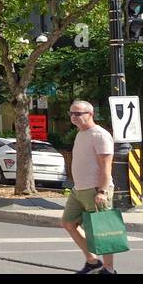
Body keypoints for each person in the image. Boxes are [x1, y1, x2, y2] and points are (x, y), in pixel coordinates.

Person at [60, 100, 117, 274]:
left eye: (78, 114)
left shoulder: (100, 135)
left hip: (95, 189)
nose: (73, 117)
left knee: (103, 230)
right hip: (79, 189)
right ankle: (92, 262)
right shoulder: (80, 134)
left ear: (90, 114)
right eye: (71, 113)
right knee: (68, 223)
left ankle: (109, 269)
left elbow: (106, 167)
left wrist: (102, 191)